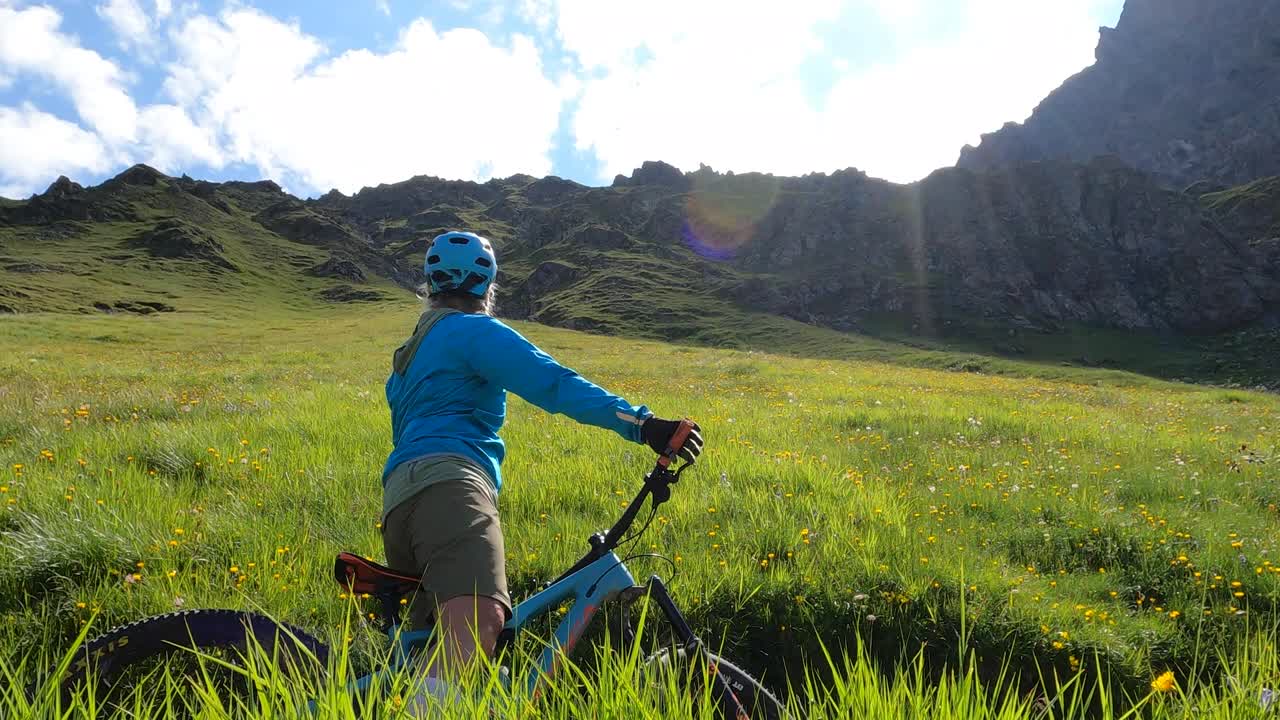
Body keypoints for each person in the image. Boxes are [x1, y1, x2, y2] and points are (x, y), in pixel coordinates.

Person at [381, 230, 703, 713]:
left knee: (448, 659)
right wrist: (643, 425)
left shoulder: (406, 360)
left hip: (401, 501)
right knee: (478, 625)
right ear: (487, 288)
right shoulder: (473, 331)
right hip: (450, 486)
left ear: (430, 285)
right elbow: (552, 384)